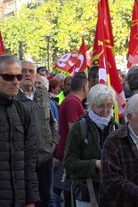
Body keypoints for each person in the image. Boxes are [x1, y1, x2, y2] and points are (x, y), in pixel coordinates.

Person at [64, 84, 120, 206]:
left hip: (113, 192)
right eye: (101, 106)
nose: (105, 110)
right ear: (91, 104)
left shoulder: (117, 127)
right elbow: (69, 163)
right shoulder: (80, 127)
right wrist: (95, 164)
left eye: (109, 106)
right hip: (87, 193)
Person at [16, 60, 60, 207]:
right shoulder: (13, 97)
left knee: (45, 199)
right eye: (23, 71)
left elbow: (52, 122)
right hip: (22, 161)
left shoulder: (43, 95)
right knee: (27, 200)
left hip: (44, 157)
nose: (27, 74)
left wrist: (53, 143)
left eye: (31, 71)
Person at [0, 55, 39, 206]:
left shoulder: (22, 110)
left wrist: (31, 200)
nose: (16, 81)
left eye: (18, 76)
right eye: (8, 77)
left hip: (20, 199)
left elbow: (30, 161)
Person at [55, 72, 89, 207]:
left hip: (68, 151)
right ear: (85, 87)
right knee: (70, 194)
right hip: (70, 153)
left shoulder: (71, 100)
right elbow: (74, 131)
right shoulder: (72, 102)